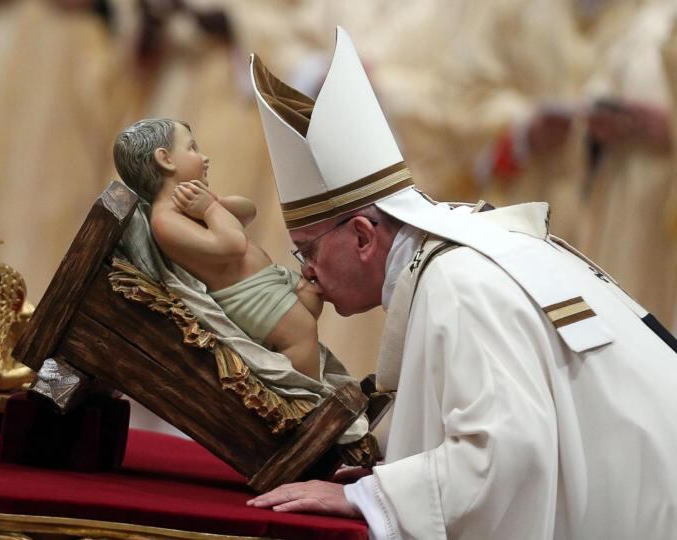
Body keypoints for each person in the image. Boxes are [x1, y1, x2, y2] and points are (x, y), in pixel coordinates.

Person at [245, 27, 677, 539]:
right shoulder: (460, 252)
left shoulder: (458, 282)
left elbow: (507, 451)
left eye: (309, 250)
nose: (306, 272)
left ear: (362, 235)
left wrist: (368, 497)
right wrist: (392, 477)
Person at [112, 118, 324, 379]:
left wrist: (216, 202)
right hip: (248, 295)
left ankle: (303, 367)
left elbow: (248, 213)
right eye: (192, 148)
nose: (204, 157)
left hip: (267, 281)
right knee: (301, 333)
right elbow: (234, 245)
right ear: (165, 159)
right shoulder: (165, 220)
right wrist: (210, 209)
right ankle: (308, 393)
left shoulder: (192, 201)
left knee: (311, 298)